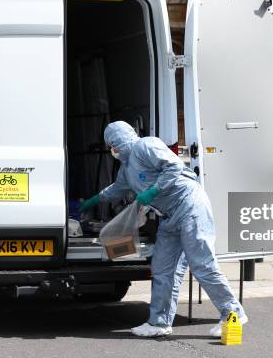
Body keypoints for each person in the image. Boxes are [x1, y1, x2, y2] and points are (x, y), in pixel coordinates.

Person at [80, 121, 247, 337]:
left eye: (113, 144)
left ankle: (233, 313)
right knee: (162, 269)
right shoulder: (127, 168)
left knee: (202, 264)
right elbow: (117, 189)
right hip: (169, 216)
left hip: (188, 205)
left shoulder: (146, 146)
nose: (113, 150)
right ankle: (159, 322)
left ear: (119, 140)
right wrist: (95, 199)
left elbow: (175, 166)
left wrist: (152, 191)